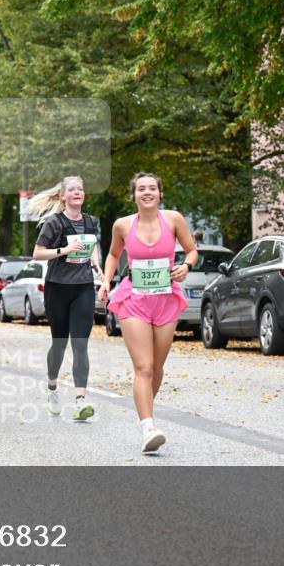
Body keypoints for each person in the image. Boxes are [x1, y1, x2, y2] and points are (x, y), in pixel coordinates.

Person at [98, 172, 198, 454]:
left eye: (152, 188)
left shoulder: (174, 219)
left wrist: (186, 266)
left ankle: (145, 410)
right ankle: (148, 428)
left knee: (156, 367)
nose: (147, 193)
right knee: (143, 366)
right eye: (141, 189)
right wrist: (107, 280)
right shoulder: (122, 225)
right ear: (134, 196)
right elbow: (114, 255)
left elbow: (192, 251)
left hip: (166, 298)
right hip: (134, 298)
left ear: (160, 194)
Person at [29, 176, 102, 421]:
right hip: (57, 288)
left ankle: (81, 399)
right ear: (63, 196)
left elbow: (92, 247)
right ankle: (52, 387)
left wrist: (96, 265)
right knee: (59, 343)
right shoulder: (54, 223)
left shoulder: (91, 221)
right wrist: (63, 251)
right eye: (72, 190)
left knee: (80, 343)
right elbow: (37, 253)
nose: (77, 192)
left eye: (80, 189)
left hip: (83, 287)